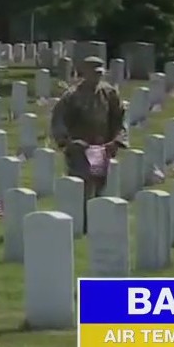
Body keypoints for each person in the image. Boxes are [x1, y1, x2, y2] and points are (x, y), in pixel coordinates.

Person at [49, 56, 127, 228]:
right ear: (85, 73)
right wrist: (67, 142)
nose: (97, 76)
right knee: (80, 186)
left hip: (100, 148)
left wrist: (116, 140)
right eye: (94, 73)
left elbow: (119, 118)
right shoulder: (72, 96)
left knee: (99, 184)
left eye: (100, 73)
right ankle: (80, 223)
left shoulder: (109, 93)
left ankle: (97, 222)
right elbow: (58, 120)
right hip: (79, 148)